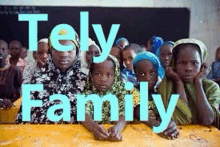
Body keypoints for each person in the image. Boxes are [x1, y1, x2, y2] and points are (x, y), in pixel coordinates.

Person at [16, 29, 87, 123]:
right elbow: (22, 120)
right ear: (50, 52)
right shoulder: (36, 81)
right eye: (58, 49)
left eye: (69, 50)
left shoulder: (86, 82)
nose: (63, 54)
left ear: (77, 51)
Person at [157, 38, 220, 129]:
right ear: (174, 64)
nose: (188, 68)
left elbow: (207, 120)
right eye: (182, 63)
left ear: (202, 65)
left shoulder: (211, 87)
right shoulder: (167, 86)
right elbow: (183, 118)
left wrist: (198, 82)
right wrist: (178, 82)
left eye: (194, 63)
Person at [82, 55, 139, 141]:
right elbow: (83, 114)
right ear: (91, 75)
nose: (103, 79)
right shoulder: (88, 93)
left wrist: (118, 128)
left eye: (109, 75)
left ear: (115, 76)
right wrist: (94, 127)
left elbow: (126, 114)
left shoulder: (121, 92)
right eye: (98, 74)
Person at [133, 51, 178, 139]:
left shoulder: (159, 92)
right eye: (142, 74)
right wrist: (159, 126)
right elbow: (141, 113)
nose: (148, 78)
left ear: (158, 72)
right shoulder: (133, 92)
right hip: (137, 134)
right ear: (136, 76)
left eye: (152, 73)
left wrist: (170, 125)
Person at [0, 40, 22, 109]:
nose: (0, 52)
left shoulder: (15, 70)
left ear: (8, 51)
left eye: (3, 49)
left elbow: (21, 93)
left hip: (10, 111)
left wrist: (12, 102)